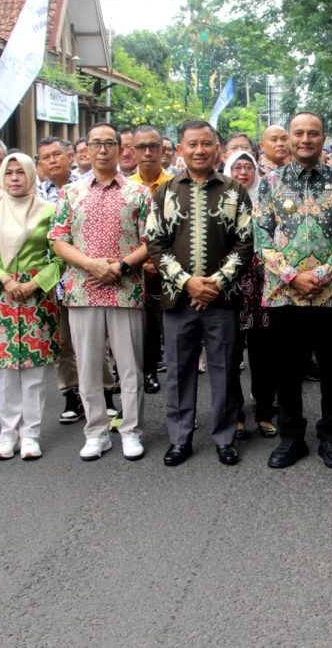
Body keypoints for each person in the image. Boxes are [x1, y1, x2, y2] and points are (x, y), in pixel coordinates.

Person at [255, 112, 332, 470]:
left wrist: (320, 273)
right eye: (298, 133)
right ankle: (291, 438)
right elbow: (259, 235)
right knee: (286, 370)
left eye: (312, 133)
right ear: (288, 137)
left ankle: (331, 437)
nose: (305, 139)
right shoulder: (270, 183)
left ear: (324, 138)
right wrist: (290, 275)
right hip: (283, 296)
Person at [146, 121, 254, 466]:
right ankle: (180, 438)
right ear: (179, 149)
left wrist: (216, 283)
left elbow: (245, 241)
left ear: (217, 149)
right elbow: (155, 242)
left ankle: (225, 438)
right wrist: (187, 282)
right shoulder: (164, 192)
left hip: (222, 299)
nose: (199, 150)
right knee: (179, 370)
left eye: (207, 144)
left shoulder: (235, 190)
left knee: (224, 369)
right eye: (192, 144)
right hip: (177, 300)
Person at [50, 123, 153, 462]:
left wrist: (120, 267)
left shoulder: (139, 193)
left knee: (130, 368)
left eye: (111, 143)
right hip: (83, 291)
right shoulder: (71, 193)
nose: (104, 149)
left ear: (122, 149)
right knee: (89, 368)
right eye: (97, 143)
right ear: (86, 150)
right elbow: (58, 240)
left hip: (126, 290)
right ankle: (95, 431)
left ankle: (131, 431)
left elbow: (151, 242)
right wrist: (91, 265)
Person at [0, 153, 63, 461]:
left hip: (38, 294)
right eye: (8, 172)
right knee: (6, 372)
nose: (13, 178)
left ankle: (31, 435)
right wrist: (5, 282)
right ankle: (7, 434)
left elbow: (61, 256)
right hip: (2, 295)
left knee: (34, 371)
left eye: (19, 172)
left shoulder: (49, 210)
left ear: (30, 175)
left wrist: (37, 283)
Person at [225, 151, 277, 438]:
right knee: (230, 352)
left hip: (263, 284)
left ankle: (265, 411)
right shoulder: (219, 200)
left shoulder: (266, 199)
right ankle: (236, 414)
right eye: (237, 167)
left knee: (264, 353)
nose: (243, 172)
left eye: (248, 167)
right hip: (229, 285)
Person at [35, 137, 86, 424]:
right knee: (63, 343)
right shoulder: (36, 195)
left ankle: (103, 394)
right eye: (46, 157)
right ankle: (70, 396)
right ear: (40, 163)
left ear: (70, 156)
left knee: (92, 343)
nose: (52, 161)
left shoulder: (85, 187)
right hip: (51, 280)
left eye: (57, 155)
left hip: (83, 277)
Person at [129, 126, 174, 396]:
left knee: (171, 327)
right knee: (141, 328)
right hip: (134, 269)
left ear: (163, 150)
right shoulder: (125, 187)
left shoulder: (177, 184)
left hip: (170, 269)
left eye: (153, 147)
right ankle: (146, 372)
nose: (148, 153)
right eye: (141, 147)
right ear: (132, 151)